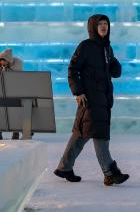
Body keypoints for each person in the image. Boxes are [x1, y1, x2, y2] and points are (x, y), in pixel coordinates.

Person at [53, 14, 129, 186]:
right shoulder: (86, 46)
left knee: (81, 133)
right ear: (93, 27)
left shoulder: (106, 49)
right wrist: (78, 92)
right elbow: (73, 69)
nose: (103, 27)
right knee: (99, 133)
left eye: (106, 24)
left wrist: (113, 61)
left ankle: (64, 167)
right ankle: (110, 172)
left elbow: (115, 73)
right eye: (100, 24)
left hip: (103, 97)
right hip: (89, 98)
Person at [0, 49, 24, 140]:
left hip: (14, 94)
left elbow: (17, 81)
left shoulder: (16, 68)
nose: (3, 64)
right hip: (2, 94)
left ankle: (16, 132)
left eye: (4, 62)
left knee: (15, 111)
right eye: (1, 63)